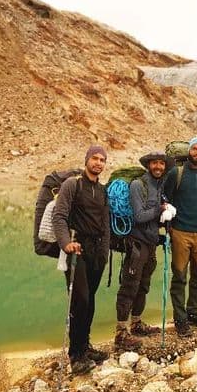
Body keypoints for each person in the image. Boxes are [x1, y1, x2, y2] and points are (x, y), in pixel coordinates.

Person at [52, 145, 111, 375]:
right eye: (95, 158)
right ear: (87, 160)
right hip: (77, 249)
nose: (98, 163)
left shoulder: (103, 190)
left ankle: (85, 346)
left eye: (102, 160)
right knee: (80, 300)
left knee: (91, 300)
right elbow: (60, 217)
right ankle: (76, 355)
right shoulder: (72, 185)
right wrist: (66, 243)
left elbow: (105, 223)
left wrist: (105, 252)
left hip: (97, 251)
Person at [163, 136, 197, 337]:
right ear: (189, 152)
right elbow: (166, 198)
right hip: (180, 231)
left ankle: (193, 311)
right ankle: (180, 319)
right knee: (179, 277)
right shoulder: (176, 173)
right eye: (194, 149)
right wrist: (168, 226)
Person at [114, 151, 169, 351]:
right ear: (148, 165)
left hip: (150, 243)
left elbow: (154, 217)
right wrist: (160, 211)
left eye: (162, 164)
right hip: (136, 244)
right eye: (155, 163)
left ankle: (136, 324)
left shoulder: (160, 185)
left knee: (143, 286)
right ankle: (120, 333)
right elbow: (139, 216)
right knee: (129, 287)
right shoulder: (138, 185)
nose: (159, 167)